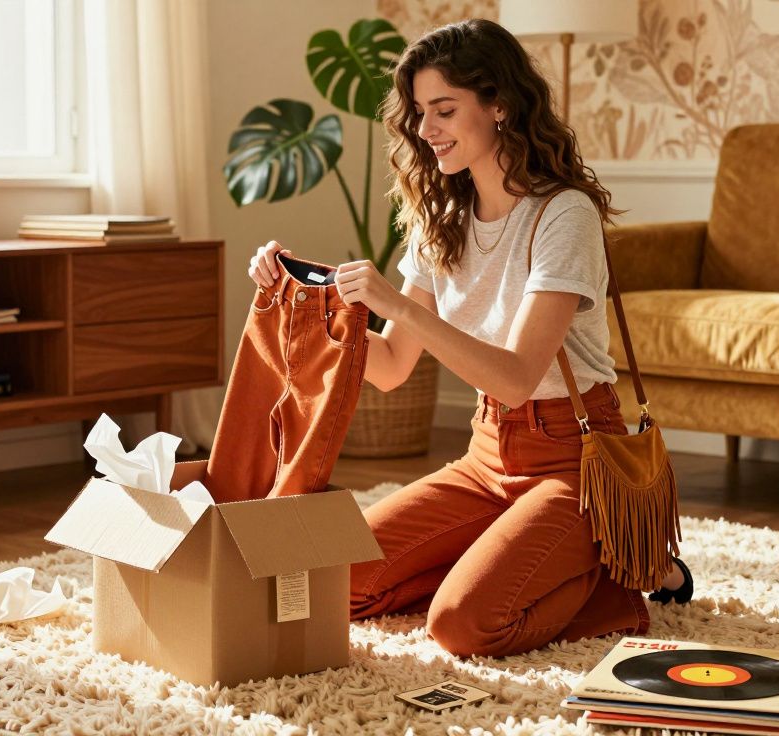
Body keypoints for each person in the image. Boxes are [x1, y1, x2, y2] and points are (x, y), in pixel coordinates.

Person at [247, 19, 692, 658]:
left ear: (500, 105)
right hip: (485, 457)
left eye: (446, 110)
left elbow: (514, 375)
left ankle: (610, 576)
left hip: (573, 458)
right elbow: (395, 363)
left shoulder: (562, 214)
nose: (426, 130)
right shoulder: (441, 221)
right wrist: (307, 302)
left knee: (462, 626)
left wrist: (395, 303)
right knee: (332, 585)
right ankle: (497, 561)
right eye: (420, 112)